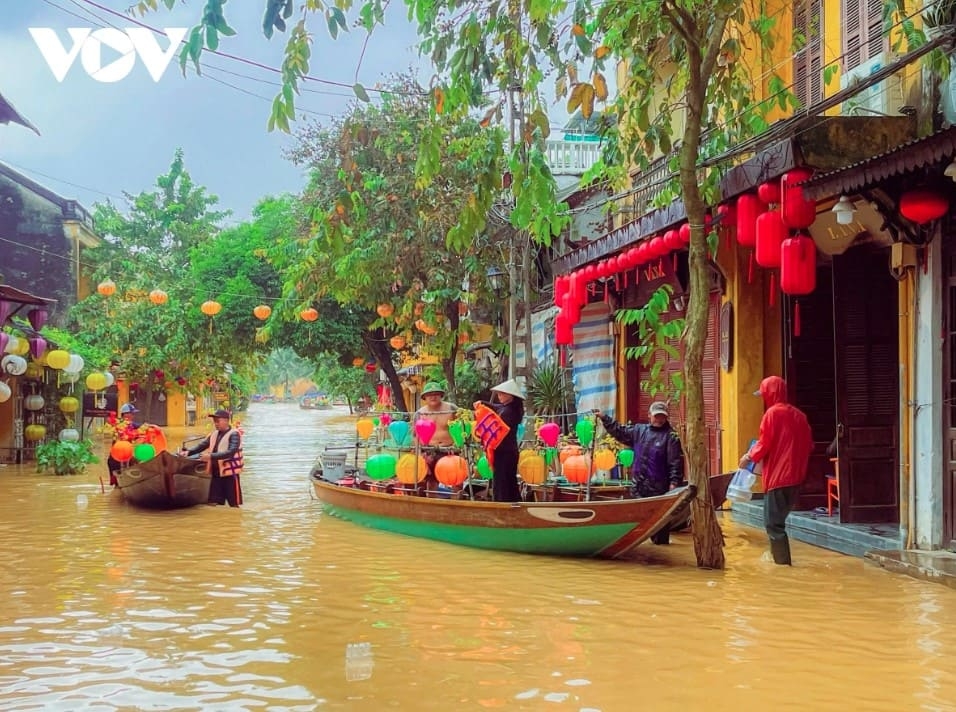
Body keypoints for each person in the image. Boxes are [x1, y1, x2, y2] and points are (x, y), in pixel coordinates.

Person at [739, 375, 813, 565]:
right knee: (778, 522)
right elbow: (809, 445)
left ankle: (782, 566)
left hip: (778, 479)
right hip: (796, 478)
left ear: (769, 394)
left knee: (773, 525)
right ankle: (777, 559)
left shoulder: (772, 414)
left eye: (763, 394)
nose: (763, 398)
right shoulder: (800, 416)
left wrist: (748, 457)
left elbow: (764, 444)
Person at [595, 401, 684, 544]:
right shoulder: (639, 431)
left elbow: (675, 463)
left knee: (660, 536)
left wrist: (674, 484)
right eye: (657, 416)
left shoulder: (671, 436)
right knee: (636, 529)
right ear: (649, 416)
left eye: (662, 416)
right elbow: (620, 431)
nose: (659, 420)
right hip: (638, 487)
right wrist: (604, 418)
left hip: (659, 490)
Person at [473, 379, 525, 502]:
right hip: (504, 451)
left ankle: (503, 507)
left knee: (503, 483)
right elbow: (496, 406)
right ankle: (512, 506)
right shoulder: (506, 407)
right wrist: (482, 403)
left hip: (505, 451)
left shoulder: (510, 411)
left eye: (502, 394)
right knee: (507, 482)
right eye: (499, 394)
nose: (499, 396)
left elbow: (498, 429)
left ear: (510, 395)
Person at [181, 409, 244, 507]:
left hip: (229, 475)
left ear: (226, 420)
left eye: (218, 421)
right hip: (216, 474)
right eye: (215, 421)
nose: (216, 423)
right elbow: (202, 446)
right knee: (213, 503)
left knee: (234, 504)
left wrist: (210, 456)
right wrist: (188, 452)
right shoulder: (214, 434)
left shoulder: (234, 434)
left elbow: (231, 452)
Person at [415, 382, 458, 493]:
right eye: (429, 394)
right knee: (431, 482)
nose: (433, 397)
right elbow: (416, 435)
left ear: (441, 395)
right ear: (424, 397)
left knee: (456, 480)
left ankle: (458, 504)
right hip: (429, 451)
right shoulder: (420, 413)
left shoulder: (452, 409)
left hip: (450, 450)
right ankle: (431, 506)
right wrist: (420, 454)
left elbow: (462, 429)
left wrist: (458, 447)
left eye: (436, 394)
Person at [107, 403, 140, 487]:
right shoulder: (117, 425)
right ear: (125, 414)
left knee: (135, 461)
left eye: (133, 414)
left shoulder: (132, 425)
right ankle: (116, 483)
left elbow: (143, 428)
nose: (133, 415)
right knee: (112, 463)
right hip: (116, 456)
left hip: (127, 454)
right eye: (131, 413)